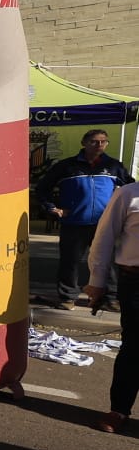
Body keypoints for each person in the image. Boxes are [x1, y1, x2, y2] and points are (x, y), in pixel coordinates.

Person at [36, 128, 134, 308]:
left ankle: (110, 298)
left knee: (107, 261)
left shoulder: (114, 166)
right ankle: (68, 298)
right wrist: (53, 208)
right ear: (84, 143)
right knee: (70, 262)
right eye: (94, 141)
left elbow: (131, 188)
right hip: (74, 223)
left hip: (104, 224)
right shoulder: (66, 166)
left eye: (103, 141)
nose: (99, 145)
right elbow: (42, 188)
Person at [87, 179, 139, 433]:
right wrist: (96, 281)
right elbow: (104, 237)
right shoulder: (128, 194)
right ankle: (119, 409)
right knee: (134, 348)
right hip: (136, 282)